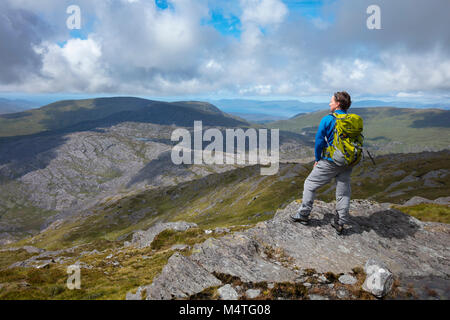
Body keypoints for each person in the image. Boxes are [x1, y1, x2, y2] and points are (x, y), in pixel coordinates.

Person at [290, 91, 354, 235]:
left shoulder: (328, 119)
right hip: (348, 161)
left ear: (338, 103)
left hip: (331, 161)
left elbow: (319, 141)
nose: (329, 103)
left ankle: (304, 214)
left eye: (331, 101)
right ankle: (341, 222)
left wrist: (317, 159)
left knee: (310, 184)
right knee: (343, 191)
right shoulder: (352, 120)